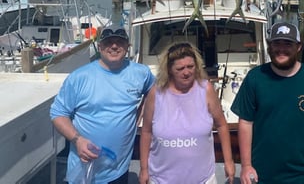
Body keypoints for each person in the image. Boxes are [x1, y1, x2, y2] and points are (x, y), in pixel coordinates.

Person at [231, 21, 304, 184]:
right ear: (269, 46)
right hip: (263, 175)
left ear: (298, 47)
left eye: (287, 44)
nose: (281, 49)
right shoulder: (255, 78)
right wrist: (246, 165)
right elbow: (246, 123)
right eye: (277, 43)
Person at [50, 25, 155, 184]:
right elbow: (58, 114)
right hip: (83, 169)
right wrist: (77, 140)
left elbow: (153, 91)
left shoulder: (141, 73)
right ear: (99, 47)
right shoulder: (79, 77)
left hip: (119, 170)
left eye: (119, 42)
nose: (114, 46)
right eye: (108, 42)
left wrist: (141, 112)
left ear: (127, 47)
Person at [139, 42, 235, 184]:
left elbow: (221, 125)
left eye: (190, 66)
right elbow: (146, 132)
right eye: (180, 68)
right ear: (169, 70)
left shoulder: (206, 89)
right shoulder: (156, 93)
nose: (186, 72)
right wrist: (143, 169)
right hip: (161, 180)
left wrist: (229, 161)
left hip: (203, 180)